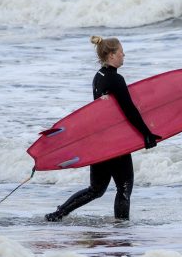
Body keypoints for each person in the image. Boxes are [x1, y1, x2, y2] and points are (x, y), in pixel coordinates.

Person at [45, 35, 161, 222]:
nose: (124, 54)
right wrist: (146, 134)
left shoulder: (99, 76)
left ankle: (58, 214)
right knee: (124, 188)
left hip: (99, 141)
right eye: (121, 51)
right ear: (112, 55)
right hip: (114, 144)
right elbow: (129, 110)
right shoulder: (116, 79)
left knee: (96, 190)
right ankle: (121, 231)